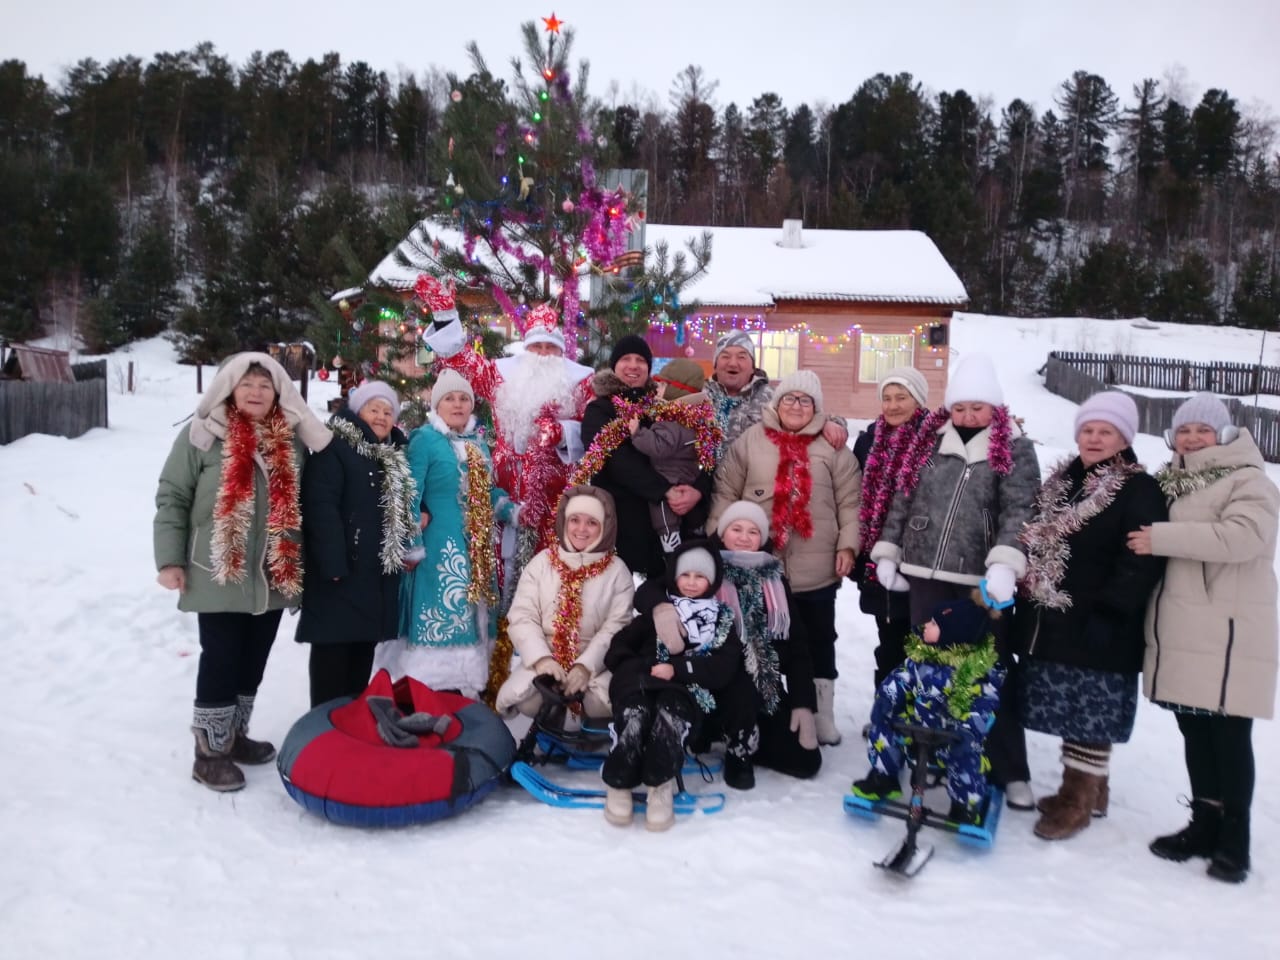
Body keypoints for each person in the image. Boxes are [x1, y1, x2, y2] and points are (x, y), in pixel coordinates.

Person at [153, 352, 332, 792]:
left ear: (279, 394)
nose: (256, 392)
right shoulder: (202, 435)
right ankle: (208, 753)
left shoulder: (291, 443)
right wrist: (170, 560)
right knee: (222, 657)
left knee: (253, 659)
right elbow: (173, 496)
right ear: (229, 388)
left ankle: (233, 736)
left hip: (273, 570)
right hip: (217, 568)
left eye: (265, 386)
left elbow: (311, 502)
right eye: (247, 384)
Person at [870, 352, 1041, 810]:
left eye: (977, 408)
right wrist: (889, 551)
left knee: (985, 672)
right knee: (927, 673)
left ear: (995, 409)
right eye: (960, 407)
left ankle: (1009, 769)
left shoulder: (1015, 448)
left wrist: (1005, 564)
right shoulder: (929, 440)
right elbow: (902, 500)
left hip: (979, 584)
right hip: (925, 574)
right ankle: (932, 756)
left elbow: (1021, 510)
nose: (967, 416)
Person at [1127, 392, 1278, 884]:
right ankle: (1204, 824)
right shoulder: (1175, 481)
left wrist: (1162, 537)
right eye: (1185, 429)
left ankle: (1235, 842)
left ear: (1225, 434)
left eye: (1203, 430)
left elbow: (1244, 538)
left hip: (1228, 631)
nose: (1193, 437)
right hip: (1184, 628)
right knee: (1195, 731)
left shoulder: (1248, 479)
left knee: (1230, 736)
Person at [1017, 391, 1167, 840]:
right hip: (1060, 616)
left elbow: (1140, 558)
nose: (1095, 439)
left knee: (1091, 711)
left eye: (1106, 432)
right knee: (1073, 707)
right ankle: (1093, 791)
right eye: (1088, 430)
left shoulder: (1139, 488)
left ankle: (1075, 800)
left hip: (1103, 620)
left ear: (1124, 438)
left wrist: (1112, 610)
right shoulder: (1064, 481)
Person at [709, 369, 861, 745]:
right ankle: (760, 706)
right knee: (760, 637)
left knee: (818, 639)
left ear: (817, 408)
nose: (796, 406)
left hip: (818, 565)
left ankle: (819, 714)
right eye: (790, 398)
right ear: (777, 402)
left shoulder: (833, 447)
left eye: (805, 401)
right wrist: (716, 537)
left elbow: (850, 503)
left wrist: (847, 546)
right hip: (759, 566)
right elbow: (726, 488)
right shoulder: (751, 440)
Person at [418, 288, 593, 595]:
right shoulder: (501, 376)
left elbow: (595, 427)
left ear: (560, 352)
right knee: (498, 559)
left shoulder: (580, 383)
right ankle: (500, 629)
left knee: (551, 567)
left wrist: (563, 432)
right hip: (503, 482)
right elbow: (462, 361)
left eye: (549, 348)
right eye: (536, 346)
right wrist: (446, 315)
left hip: (556, 490)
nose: (541, 354)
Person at [374, 368, 520, 697]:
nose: (458, 404)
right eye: (450, 398)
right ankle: (432, 689)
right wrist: (412, 545)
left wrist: (511, 510)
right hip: (439, 550)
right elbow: (409, 493)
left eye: (464, 398)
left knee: (473, 615)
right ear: (436, 405)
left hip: (477, 551)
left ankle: (463, 690)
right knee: (443, 614)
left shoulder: (478, 443)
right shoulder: (426, 440)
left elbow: (487, 492)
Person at [601, 542, 755, 830]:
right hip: (642, 682)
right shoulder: (659, 612)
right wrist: (635, 667)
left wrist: (680, 669)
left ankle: (660, 782)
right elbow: (619, 647)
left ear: (713, 580)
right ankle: (619, 780)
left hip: (684, 688)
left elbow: (723, 666)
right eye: (686, 575)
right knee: (635, 714)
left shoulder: (720, 619)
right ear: (674, 577)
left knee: (670, 716)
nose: (692, 583)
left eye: (700, 576)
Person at [296, 380, 418, 707]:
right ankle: (322, 733)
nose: (381, 417)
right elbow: (321, 506)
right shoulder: (335, 447)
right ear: (357, 411)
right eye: (373, 409)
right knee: (332, 660)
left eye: (387, 411)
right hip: (339, 575)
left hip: (373, 577)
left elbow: (405, 501)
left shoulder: (393, 455)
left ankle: (349, 731)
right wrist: (333, 563)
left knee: (360, 659)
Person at [851, 593, 1007, 825]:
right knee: (883, 731)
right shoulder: (921, 659)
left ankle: (964, 803)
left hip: (953, 738)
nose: (926, 625)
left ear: (954, 636)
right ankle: (884, 778)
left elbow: (983, 708)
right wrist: (885, 699)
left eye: (934, 623)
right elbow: (900, 678)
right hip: (915, 730)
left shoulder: (978, 673)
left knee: (968, 759)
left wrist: (967, 732)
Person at [495, 485, 635, 722]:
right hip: (548, 658)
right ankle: (551, 726)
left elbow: (617, 626)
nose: (581, 529)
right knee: (529, 699)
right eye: (575, 520)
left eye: (591, 522)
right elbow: (523, 615)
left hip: (598, 665)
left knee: (599, 703)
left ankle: (591, 732)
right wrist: (541, 659)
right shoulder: (542, 563)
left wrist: (586, 666)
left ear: (605, 527)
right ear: (564, 522)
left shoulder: (617, 571)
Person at [580, 335, 714, 578]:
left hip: (671, 522)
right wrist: (664, 490)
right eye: (626, 359)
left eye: (641, 360)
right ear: (614, 366)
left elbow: (699, 450)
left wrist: (697, 490)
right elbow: (618, 462)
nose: (633, 365)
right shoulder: (599, 409)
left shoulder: (666, 407)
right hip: (622, 521)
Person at [852, 366, 947, 689]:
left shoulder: (939, 442)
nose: (892, 405)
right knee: (889, 639)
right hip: (879, 558)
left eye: (901, 397)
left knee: (924, 641)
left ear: (918, 400)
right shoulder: (868, 441)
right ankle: (888, 714)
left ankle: (920, 715)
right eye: (887, 398)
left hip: (925, 560)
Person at [714, 501, 822, 780]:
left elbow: (797, 646)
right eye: (736, 528)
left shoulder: (774, 579)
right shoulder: (704, 571)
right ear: (722, 534)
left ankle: (750, 732)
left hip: (763, 686)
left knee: (806, 762)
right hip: (713, 682)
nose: (744, 537)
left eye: (753, 532)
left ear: (762, 539)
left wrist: (803, 704)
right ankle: (735, 742)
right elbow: (659, 587)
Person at [704, 330, 848, 459]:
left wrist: (829, 423)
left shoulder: (771, 397)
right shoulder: (700, 397)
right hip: (701, 485)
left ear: (753, 367)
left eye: (742, 357)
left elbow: (806, 413)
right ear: (715, 365)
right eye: (725, 356)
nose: (733, 363)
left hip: (754, 484)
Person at [627, 357, 712, 552]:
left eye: (662, 385)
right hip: (687, 475)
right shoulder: (693, 418)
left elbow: (659, 446)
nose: (657, 389)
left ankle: (669, 540)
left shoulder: (671, 422)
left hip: (669, 476)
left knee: (662, 511)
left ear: (676, 390)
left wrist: (638, 433)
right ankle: (696, 529)